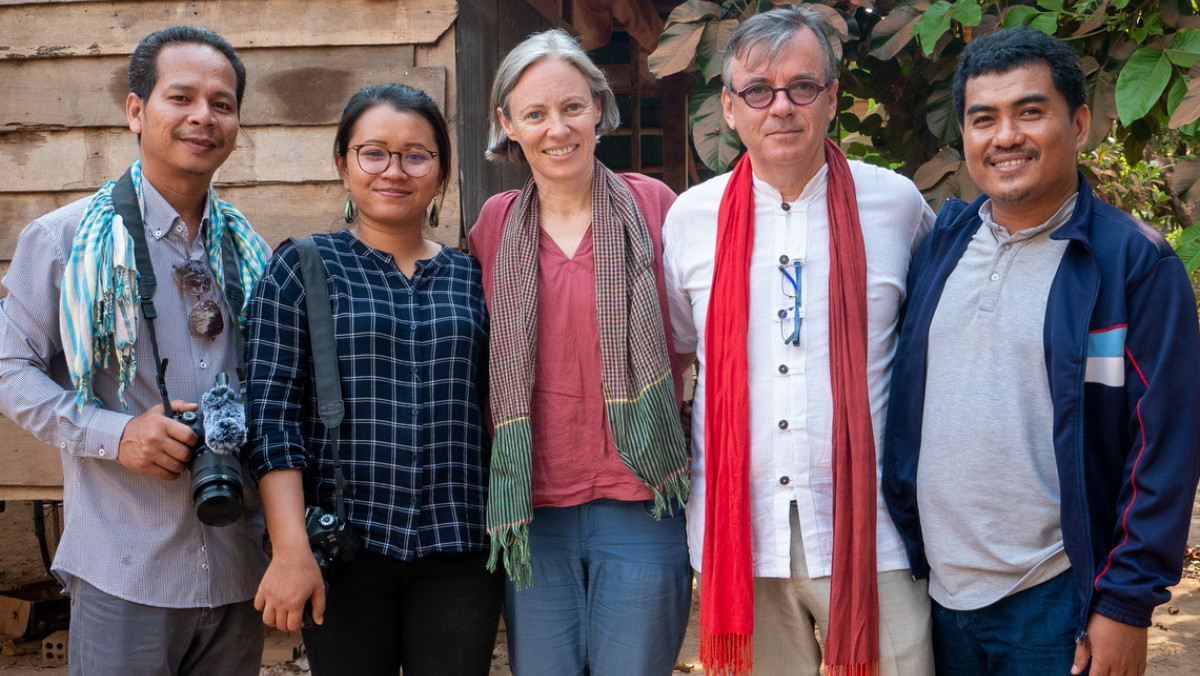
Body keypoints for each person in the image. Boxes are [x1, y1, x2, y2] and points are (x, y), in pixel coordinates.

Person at [882, 26, 1200, 676]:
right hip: (940, 597)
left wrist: (1125, 605)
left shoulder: (1133, 264)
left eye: (1030, 111)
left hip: (1058, 599)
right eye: (984, 118)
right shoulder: (941, 246)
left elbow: (1164, 447)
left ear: (1079, 124)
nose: (1005, 137)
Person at [662, 6, 936, 676]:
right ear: (729, 107)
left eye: (801, 87)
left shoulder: (897, 206)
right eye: (758, 90)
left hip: (875, 540)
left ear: (832, 98)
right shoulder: (690, 220)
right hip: (741, 542)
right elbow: (675, 351)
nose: (779, 107)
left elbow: (936, 349)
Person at [0, 25, 271, 675]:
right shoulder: (65, 241)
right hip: (125, 571)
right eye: (181, 97)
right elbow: (8, 368)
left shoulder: (249, 250)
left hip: (240, 568)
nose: (203, 116)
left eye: (223, 104)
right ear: (135, 111)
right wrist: (113, 433)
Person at [246, 83, 502, 676]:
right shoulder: (301, 265)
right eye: (374, 152)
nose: (395, 170)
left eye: (417, 154)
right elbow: (273, 416)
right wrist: (290, 551)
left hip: (460, 545)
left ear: (440, 172)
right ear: (343, 163)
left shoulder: (473, 276)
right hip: (343, 545)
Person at [468, 28, 692, 676]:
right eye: (534, 113)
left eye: (571, 106)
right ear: (508, 123)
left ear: (598, 106)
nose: (556, 128)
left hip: (642, 498)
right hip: (531, 511)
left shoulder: (656, 206)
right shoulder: (493, 225)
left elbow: (700, 333)